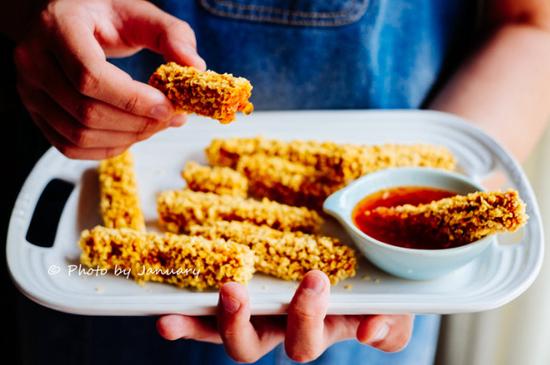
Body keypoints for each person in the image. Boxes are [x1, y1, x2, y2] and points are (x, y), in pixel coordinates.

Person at [3, 0, 550, 364]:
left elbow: (530, 22)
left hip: (367, 307)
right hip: (97, 313)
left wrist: (429, 224)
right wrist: (36, 13)